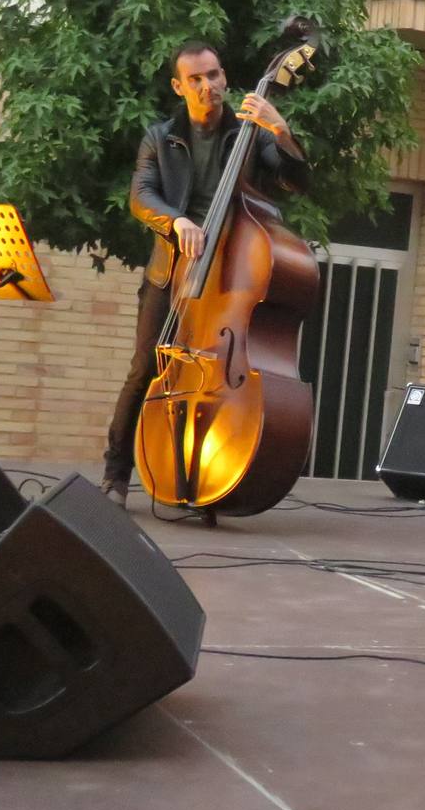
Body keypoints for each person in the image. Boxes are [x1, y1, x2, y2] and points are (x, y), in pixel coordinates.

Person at [100, 40, 310, 504]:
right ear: (179, 86)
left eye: (213, 75)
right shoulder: (160, 137)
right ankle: (116, 475)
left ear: (224, 77)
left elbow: (295, 180)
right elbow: (141, 195)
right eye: (195, 78)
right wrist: (177, 221)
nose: (207, 85)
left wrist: (281, 130)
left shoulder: (248, 132)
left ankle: (208, 472)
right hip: (173, 271)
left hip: (230, 271)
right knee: (145, 371)